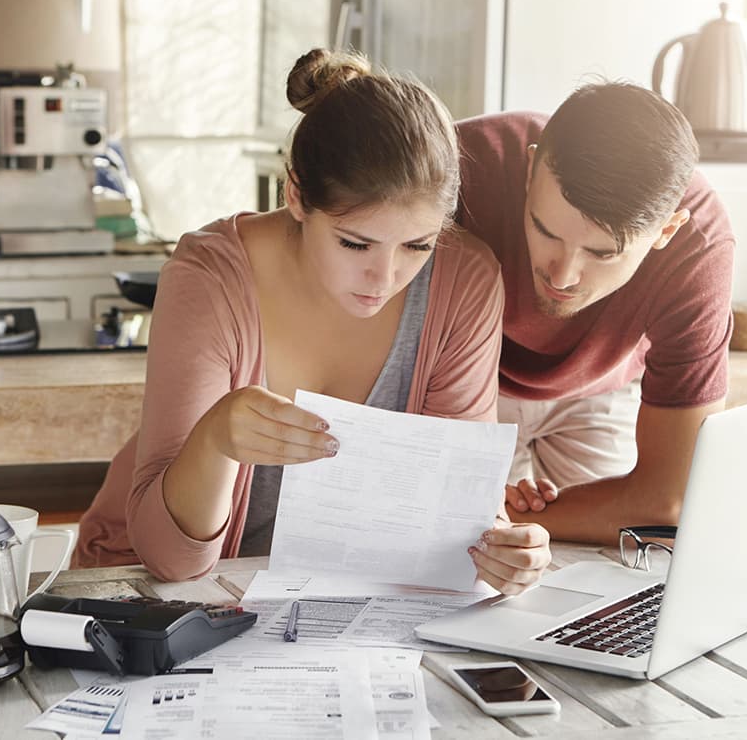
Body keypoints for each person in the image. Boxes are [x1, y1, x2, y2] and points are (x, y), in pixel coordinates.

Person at [74, 48, 551, 595]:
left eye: (417, 245)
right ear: (296, 194)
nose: (385, 277)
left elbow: (452, 516)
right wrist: (216, 440)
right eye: (355, 242)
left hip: (346, 604)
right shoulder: (208, 277)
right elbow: (169, 560)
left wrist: (501, 549)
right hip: (158, 594)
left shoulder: (464, 281)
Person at [454, 82, 735, 545]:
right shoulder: (459, 166)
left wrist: (497, 515)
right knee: (452, 559)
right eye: (545, 230)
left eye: (602, 254)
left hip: (601, 386)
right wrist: (465, 513)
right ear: (530, 171)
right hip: (467, 377)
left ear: (667, 230)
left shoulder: (700, 248)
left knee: (615, 565)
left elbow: (668, 505)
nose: (562, 276)